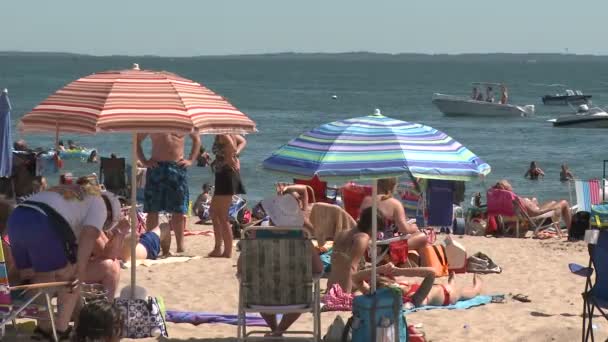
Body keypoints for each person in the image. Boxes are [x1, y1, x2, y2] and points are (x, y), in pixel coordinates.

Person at [7, 179, 123, 338]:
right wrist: (80, 272)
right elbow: (89, 236)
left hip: (17, 218)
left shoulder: (74, 196)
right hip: (44, 221)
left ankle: (44, 328)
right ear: (109, 214)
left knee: (34, 276)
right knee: (69, 280)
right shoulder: (99, 205)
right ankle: (59, 331)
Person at [237, 237, 323, 337]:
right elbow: (319, 270)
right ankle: (279, 331)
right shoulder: (304, 242)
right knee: (304, 292)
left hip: (258, 301)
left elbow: (240, 270)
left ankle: (275, 330)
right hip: (298, 302)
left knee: (258, 286)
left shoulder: (254, 239)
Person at [137, 132, 201, 255]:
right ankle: (152, 244)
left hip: (177, 166)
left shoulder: (182, 122)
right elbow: (137, 140)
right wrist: (144, 161)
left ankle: (180, 246)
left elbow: (197, 139)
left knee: (178, 209)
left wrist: (191, 159)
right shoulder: (155, 120)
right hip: (157, 167)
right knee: (152, 209)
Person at [353, 263, 482, 308]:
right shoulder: (414, 299)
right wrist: (399, 271)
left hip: (434, 288)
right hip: (448, 295)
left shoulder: (376, 293)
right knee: (474, 291)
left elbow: (355, 278)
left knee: (447, 284)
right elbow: (431, 272)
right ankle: (478, 281)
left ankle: (451, 281)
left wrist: (378, 268)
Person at [359, 177, 428, 250]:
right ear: (393, 186)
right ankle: (391, 252)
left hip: (368, 245)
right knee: (422, 237)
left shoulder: (366, 200)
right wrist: (413, 227)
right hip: (385, 244)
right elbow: (404, 229)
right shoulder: (395, 204)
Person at [327, 206, 383, 293]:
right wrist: (346, 296)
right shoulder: (362, 238)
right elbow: (351, 268)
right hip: (346, 288)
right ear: (373, 227)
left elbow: (337, 265)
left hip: (331, 286)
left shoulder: (342, 233)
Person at [208, 134, 246, 258]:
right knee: (213, 211)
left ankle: (227, 251)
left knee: (222, 215)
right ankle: (218, 248)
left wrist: (230, 158)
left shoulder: (224, 134)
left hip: (226, 174)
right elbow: (242, 141)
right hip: (222, 174)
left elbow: (231, 146)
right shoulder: (226, 133)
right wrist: (220, 159)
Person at [494, 179, 572, 231]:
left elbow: (524, 212)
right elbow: (536, 213)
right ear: (508, 188)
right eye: (509, 184)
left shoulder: (501, 201)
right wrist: (551, 209)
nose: (511, 185)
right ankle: (571, 231)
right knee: (564, 203)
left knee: (553, 202)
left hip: (523, 220)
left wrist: (532, 203)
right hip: (536, 222)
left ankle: (562, 227)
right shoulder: (518, 200)